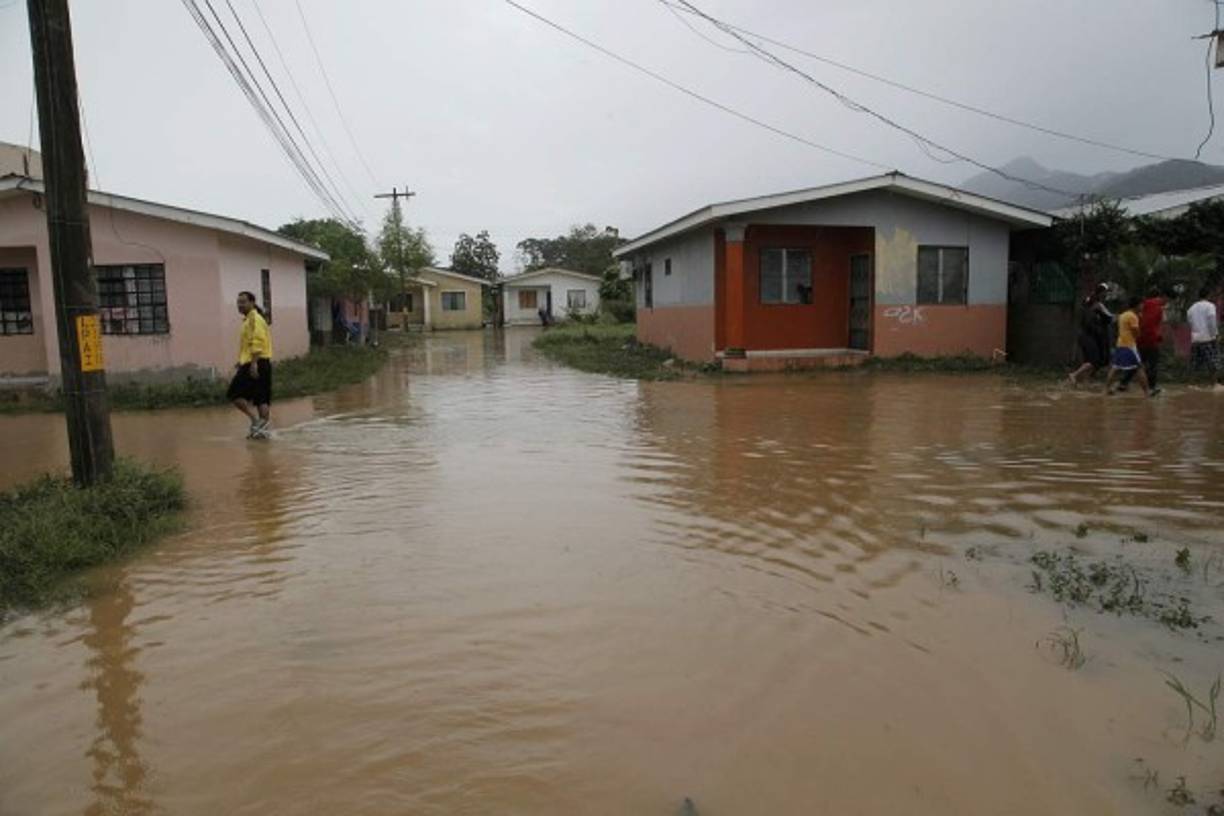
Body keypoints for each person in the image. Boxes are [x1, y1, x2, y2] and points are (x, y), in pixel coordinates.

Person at [227, 291, 273, 438]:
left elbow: (258, 341)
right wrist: (241, 361)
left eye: (243, 302)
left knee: (234, 393)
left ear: (252, 303)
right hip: (257, 361)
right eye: (238, 302)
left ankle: (257, 423)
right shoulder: (249, 320)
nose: (239, 305)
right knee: (261, 397)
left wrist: (253, 364)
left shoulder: (255, 319)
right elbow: (249, 344)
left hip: (256, 362)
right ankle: (261, 429)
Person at [1120, 287, 1165, 395]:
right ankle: (1152, 387)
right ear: (1158, 297)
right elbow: (1157, 325)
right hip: (1152, 339)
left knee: (1136, 363)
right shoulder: (1159, 308)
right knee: (1152, 364)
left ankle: (1123, 383)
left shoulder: (1140, 305)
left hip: (1139, 339)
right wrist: (1159, 336)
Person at [1104, 295, 1150, 397]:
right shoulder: (1133, 316)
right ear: (1137, 305)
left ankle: (1106, 389)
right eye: (1141, 304)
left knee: (1115, 368)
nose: (1143, 306)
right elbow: (1136, 332)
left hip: (1120, 344)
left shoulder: (1123, 315)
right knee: (1139, 367)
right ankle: (1147, 393)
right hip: (1129, 346)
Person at [1069, 283, 1112, 386]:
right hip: (1088, 336)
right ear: (1101, 293)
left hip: (1086, 336)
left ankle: (1085, 382)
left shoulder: (1090, 302)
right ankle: (1074, 375)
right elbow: (1109, 317)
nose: (1106, 295)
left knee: (1089, 360)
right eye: (1106, 292)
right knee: (1094, 361)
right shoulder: (1097, 305)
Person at [1187, 285, 1220, 384]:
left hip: (1196, 340)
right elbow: (1212, 321)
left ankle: (1191, 385)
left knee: (1194, 364)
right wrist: (1215, 335)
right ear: (1208, 295)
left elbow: (1190, 323)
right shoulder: (1210, 306)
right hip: (1208, 339)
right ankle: (1214, 385)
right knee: (1212, 363)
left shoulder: (1191, 308)